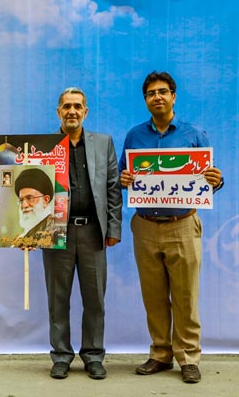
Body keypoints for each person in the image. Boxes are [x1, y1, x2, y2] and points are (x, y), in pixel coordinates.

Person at [118, 71, 224, 384]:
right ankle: (160, 354)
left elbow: (210, 179)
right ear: (145, 100)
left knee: (185, 296)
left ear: (173, 96)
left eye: (163, 91)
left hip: (183, 224)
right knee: (153, 296)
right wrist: (124, 179)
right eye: (151, 93)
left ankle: (188, 357)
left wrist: (217, 180)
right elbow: (124, 175)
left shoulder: (194, 134)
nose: (157, 97)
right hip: (145, 225)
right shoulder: (134, 136)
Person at [42, 87, 122, 380]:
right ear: (58, 112)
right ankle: (61, 356)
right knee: (57, 299)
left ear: (85, 112)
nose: (72, 111)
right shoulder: (43, 146)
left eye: (77, 106)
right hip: (54, 232)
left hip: (93, 231)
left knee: (95, 299)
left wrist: (113, 228)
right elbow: (27, 186)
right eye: (66, 106)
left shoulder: (103, 143)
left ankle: (93, 355)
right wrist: (24, 232)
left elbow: (113, 187)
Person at [12, 168, 55, 248]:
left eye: (29, 198)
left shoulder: (52, 230)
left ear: (45, 200)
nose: (24, 205)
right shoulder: (26, 233)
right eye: (21, 200)